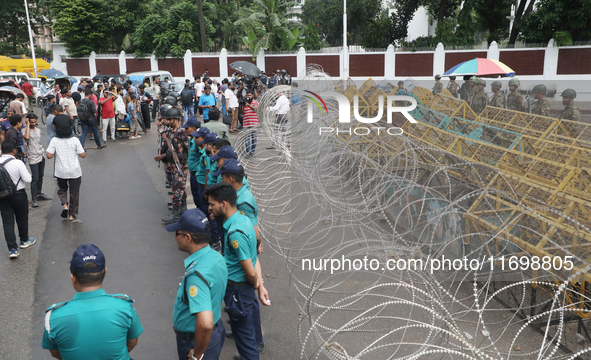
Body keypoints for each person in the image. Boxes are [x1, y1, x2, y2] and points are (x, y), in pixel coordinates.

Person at [41, 244, 144, 359]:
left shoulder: (53, 318)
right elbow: (132, 342)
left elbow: (56, 353)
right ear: (105, 272)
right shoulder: (125, 307)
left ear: (73, 278)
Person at [204, 183, 268, 360]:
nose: (210, 208)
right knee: (244, 336)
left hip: (238, 290)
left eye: (212, 204)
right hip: (241, 289)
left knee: (245, 341)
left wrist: (256, 284)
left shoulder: (235, 232)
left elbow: (250, 270)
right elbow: (255, 248)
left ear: (223, 204)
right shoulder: (242, 219)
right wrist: (260, 286)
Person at [166, 209, 227, 360]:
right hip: (215, 331)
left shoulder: (196, 275)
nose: (175, 238)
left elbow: (205, 324)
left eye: (177, 234)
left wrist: (197, 355)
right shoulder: (216, 257)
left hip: (196, 340)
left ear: (187, 237)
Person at [46, 118, 86, 221]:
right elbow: (82, 155)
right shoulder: (75, 140)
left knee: (62, 189)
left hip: (61, 171)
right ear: (70, 127)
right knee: (74, 193)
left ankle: (64, 205)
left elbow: (49, 155)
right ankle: (72, 215)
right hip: (74, 171)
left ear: (56, 127)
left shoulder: (54, 140)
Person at [0, 140, 34, 259]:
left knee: (7, 222)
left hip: (2, 196)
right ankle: (24, 240)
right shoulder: (18, 163)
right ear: (14, 150)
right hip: (19, 194)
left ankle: (12, 249)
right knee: (22, 219)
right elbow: (28, 179)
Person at [155, 107, 189, 224]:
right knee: (178, 188)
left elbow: (187, 149)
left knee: (178, 189)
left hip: (180, 165)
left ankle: (175, 213)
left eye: (169, 119)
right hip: (171, 164)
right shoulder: (169, 131)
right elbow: (168, 148)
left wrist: (185, 163)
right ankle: (183, 209)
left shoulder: (181, 132)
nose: (167, 121)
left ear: (175, 120)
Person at [22, 114, 52, 208]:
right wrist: (27, 125)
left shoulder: (38, 130)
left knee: (40, 176)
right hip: (33, 157)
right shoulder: (25, 130)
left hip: (40, 155)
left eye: (35, 122)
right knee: (34, 178)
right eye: (32, 122)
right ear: (28, 121)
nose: (34, 124)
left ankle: (39, 194)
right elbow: (27, 137)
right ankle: (34, 198)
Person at [243, 91, 259, 157]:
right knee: (246, 139)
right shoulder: (244, 103)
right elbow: (242, 112)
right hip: (246, 123)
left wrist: (249, 105)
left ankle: (253, 152)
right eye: (248, 95)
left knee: (254, 138)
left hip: (254, 123)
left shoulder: (255, 102)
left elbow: (255, 109)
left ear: (252, 95)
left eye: (250, 95)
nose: (249, 96)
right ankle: (248, 152)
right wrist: (242, 106)